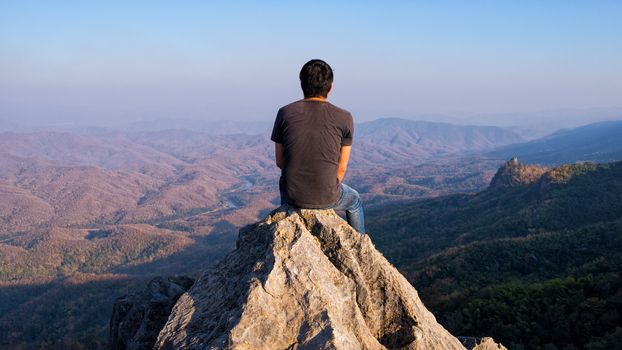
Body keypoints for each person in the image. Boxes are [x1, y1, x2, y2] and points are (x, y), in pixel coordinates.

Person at [270, 59, 366, 234]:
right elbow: (342, 167)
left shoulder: (285, 113)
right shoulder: (345, 117)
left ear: (302, 84)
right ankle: (360, 242)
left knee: (285, 181)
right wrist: (324, 189)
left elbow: (280, 161)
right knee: (355, 201)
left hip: (292, 196)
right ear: (330, 88)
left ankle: (289, 219)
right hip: (328, 196)